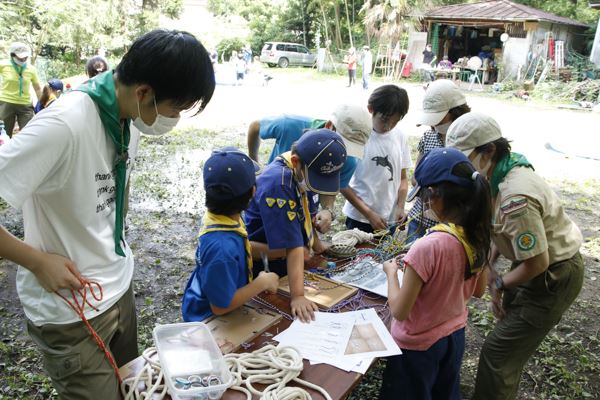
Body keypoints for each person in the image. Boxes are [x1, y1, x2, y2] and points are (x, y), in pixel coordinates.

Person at [0, 29, 215, 399]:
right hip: (69, 310)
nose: (174, 118)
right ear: (144, 92)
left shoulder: (126, 115)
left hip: (117, 287)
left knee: (130, 390)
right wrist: (36, 261)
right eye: (174, 109)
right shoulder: (63, 124)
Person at [445, 112, 584, 400]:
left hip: (553, 275)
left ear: (489, 150)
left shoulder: (516, 197)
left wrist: (498, 284)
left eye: (466, 158)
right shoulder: (500, 172)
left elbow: (538, 262)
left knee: (498, 355)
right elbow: (503, 230)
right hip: (531, 265)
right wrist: (493, 264)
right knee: (506, 348)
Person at [380, 147, 491, 400]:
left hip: (417, 347)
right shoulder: (478, 233)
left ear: (435, 195)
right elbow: (480, 290)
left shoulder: (427, 246)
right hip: (453, 337)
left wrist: (390, 272)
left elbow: (399, 311)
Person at [244, 129, 347, 323]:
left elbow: (304, 211)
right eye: (316, 180)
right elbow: (293, 248)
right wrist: (298, 295)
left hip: (288, 254)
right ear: (296, 162)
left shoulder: (300, 173)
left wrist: (316, 243)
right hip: (263, 261)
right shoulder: (279, 185)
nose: (316, 186)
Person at [182, 148, 279, 322]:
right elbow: (220, 307)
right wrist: (261, 283)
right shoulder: (222, 249)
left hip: (221, 302)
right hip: (208, 320)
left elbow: (241, 247)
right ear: (253, 192)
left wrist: (282, 251)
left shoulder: (221, 217)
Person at [246, 103, 372, 233]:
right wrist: (253, 161)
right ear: (329, 126)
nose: (343, 152)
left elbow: (331, 187)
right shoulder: (289, 125)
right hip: (275, 195)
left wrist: (327, 209)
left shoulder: (347, 158)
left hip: (305, 205)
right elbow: (255, 126)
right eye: (343, 143)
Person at [405, 80, 470, 244]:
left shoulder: (469, 143)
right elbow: (415, 178)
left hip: (451, 227)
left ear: (455, 112)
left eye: (439, 119)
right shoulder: (428, 137)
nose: (434, 125)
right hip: (419, 219)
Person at [342, 84, 412, 233]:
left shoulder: (399, 137)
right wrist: (369, 214)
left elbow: (403, 179)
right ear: (370, 109)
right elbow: (342, 183)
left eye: (395, 122)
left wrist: (400, 206)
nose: (388, 126)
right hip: (359, 217)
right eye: (384, 120)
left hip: (389, 218)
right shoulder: (357, 138)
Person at [0, 42, 42, 137]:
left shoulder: (31, 69)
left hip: (25, 105)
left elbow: (38, 88)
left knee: (29, 133)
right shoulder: (3, 65)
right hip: (6, 103)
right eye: (20, 57)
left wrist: (42, 103)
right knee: (4, 134)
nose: (23, 59)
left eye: (25, 57)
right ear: (12, 55)